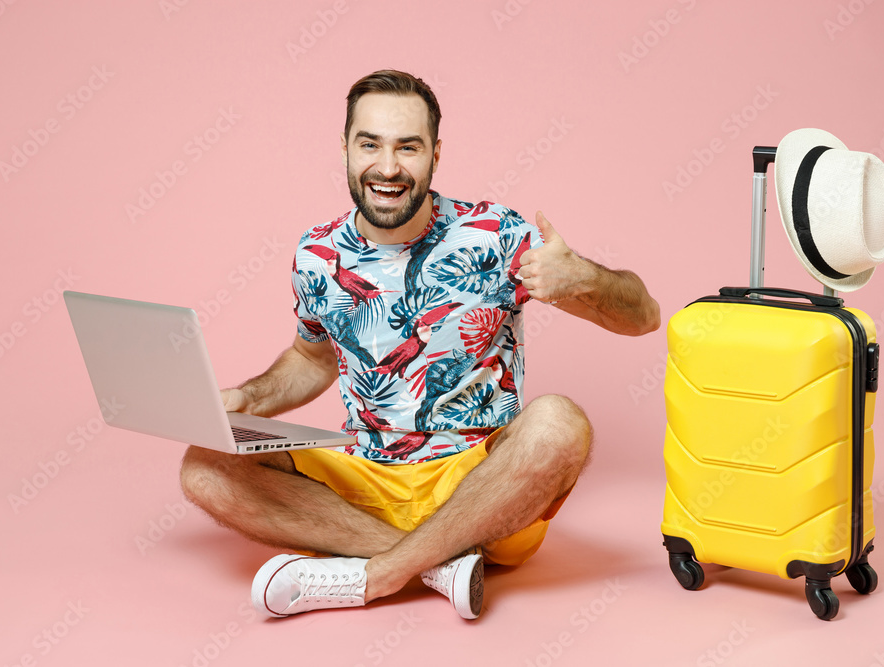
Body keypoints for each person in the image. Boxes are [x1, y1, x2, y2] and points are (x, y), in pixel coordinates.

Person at [179, 70, 660, 620]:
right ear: (345, 148)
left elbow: (643, 317)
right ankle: (441, 566)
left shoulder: (495, 234)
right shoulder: (317, 254)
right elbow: (312, 358)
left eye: (408, 147)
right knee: (203, 469)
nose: (387, 167)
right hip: (364, 476)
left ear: (436, 153)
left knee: (560, 423)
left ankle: (379, 574)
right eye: (370, 144)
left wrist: (584, 278)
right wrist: (248, 399)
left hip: (480, 484)